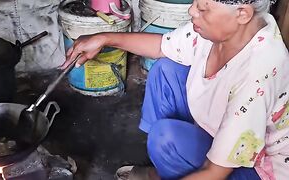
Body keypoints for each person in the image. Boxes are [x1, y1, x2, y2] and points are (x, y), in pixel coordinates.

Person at [61, 0, 289, 179]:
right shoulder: (229, 30)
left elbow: (215, 172)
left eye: (203, 8)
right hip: (226, 129)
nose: (192, 11)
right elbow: (162, 46)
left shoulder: (258, 73)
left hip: (256, 169)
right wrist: (104, 38)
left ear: (242, 14)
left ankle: (169, 163)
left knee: (165, 138)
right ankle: (167, 165)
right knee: (166, 70)